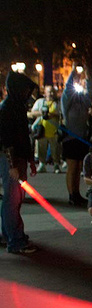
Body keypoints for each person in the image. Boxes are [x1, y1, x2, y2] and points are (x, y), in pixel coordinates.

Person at [0, 71, 39, 254]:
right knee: (13, 200)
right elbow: (6, 139)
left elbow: (24, 136)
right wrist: (12, 165)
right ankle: (15, 240)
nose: (27, 94)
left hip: (18, 158)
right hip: (12, 158)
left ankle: (9, 234)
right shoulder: (7, 109)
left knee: (13, 199)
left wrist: (30, 160)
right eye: (24, 90)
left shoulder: (17, 107)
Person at [61, 64, 92, 206]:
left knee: (79, 166)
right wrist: (73, 71)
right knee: (72, 167)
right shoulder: (67, 102)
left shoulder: (84, 101)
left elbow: (90, 92)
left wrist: (88, 74)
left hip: (82, 138)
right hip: (70, 137)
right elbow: (68, 88)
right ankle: (71, 195)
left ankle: (77, 193)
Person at [29, 85, 62, 173]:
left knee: (55, 149)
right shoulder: (40, 102)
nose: (51, 94)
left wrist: (53, 115)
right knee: (41, 148)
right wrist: (41, 113)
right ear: (45, 93)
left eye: (52, 92)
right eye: (49, 92)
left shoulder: (57, 103)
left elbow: (61, 114)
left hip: (53, 130)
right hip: (42, 130)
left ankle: (56, 165)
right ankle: (42, 164)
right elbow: (32, 113)